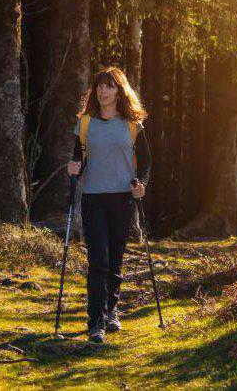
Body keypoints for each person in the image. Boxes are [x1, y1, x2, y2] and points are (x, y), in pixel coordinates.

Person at [67, 67, 151, 343]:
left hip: (122, 199)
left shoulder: (132, 125)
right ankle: (96, 323)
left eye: (109, 87)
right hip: (93, 199)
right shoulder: (85, 123)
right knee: (98, 262)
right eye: (99, 87)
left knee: (115, 261)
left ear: (119, 91)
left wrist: (142, 185)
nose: (103, 91)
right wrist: (73, 168)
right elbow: (77, 160)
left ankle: (112, 311)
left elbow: (146, 163)